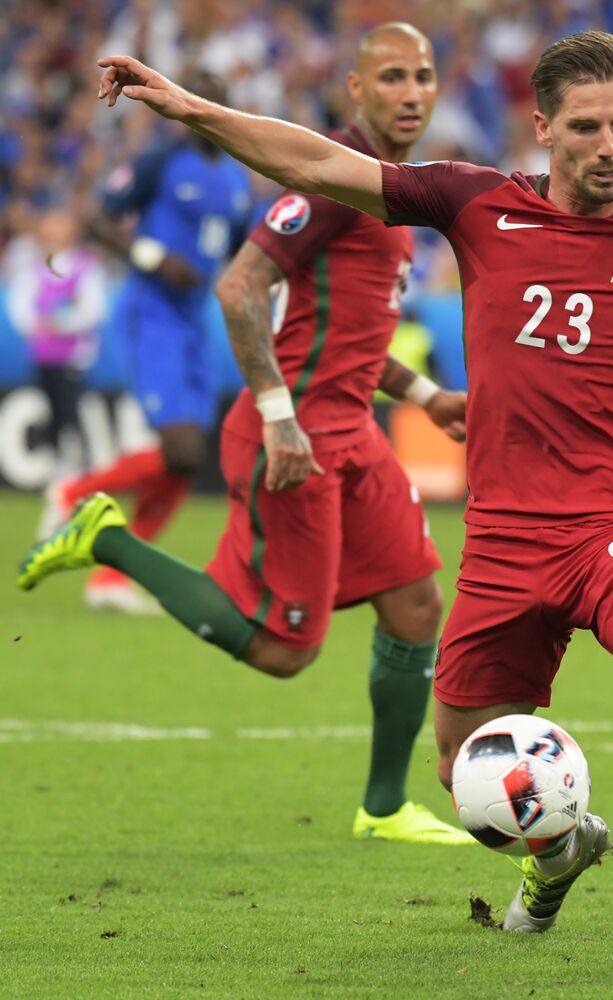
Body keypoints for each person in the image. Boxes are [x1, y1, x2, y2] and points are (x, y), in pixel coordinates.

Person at [57, 29, 613, 967]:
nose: (609, 145)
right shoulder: (477, 203)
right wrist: (192, 107)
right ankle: (557, 851)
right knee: (467, 779)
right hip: (502, 537)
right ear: (543, 127)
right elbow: (318, 160)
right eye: (586, 127)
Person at [20, 24, 475, 847]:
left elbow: (353, 336)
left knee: (414, 607)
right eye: (394, 78)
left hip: (353, 433)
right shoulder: (333, 182)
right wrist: (277, 416)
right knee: (281, 651)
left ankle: (383, 810)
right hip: (294, 436)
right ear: (356, 90)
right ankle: (106, 536)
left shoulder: (394, 193)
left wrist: (426, 392)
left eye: (425, 76)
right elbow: (239, 287)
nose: (413, 92)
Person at [40, 71, 252, 614]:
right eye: (196, 100)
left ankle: (110, 577)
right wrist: (154, 258)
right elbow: (98, 219)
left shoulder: (235, 180)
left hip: (196, 320)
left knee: (186, 460)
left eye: (214, 99)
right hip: (152, 312)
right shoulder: (160, 161)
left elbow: (238, 251)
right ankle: (74, 493)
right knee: (180, 447)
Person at [4, 208, 108, 477]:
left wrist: (61, 323)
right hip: (42, 352)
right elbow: (21, 306)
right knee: (51, 407)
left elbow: (93, 308)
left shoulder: (85, 265)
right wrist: (36, 325)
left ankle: (79, 461)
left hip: (73, 354)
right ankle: (59, 460)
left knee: (72, 405)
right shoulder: (33, 266)